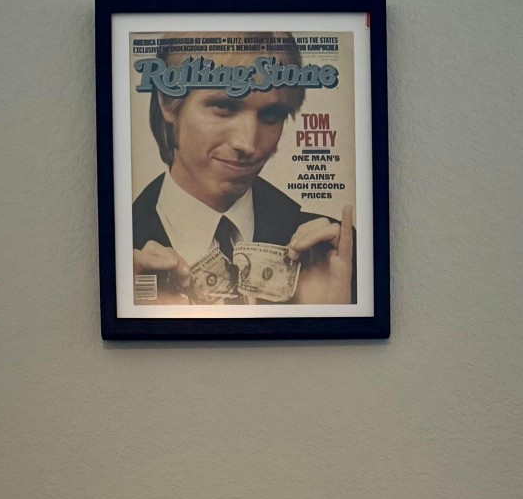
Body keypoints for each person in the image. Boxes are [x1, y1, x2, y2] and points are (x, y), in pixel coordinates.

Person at [131, 32, 355, 306]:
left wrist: (329, 315)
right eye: (224, 106)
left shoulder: (337, 256)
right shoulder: (119, 246)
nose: (248, 144)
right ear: (167, 101)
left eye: (271, 116)